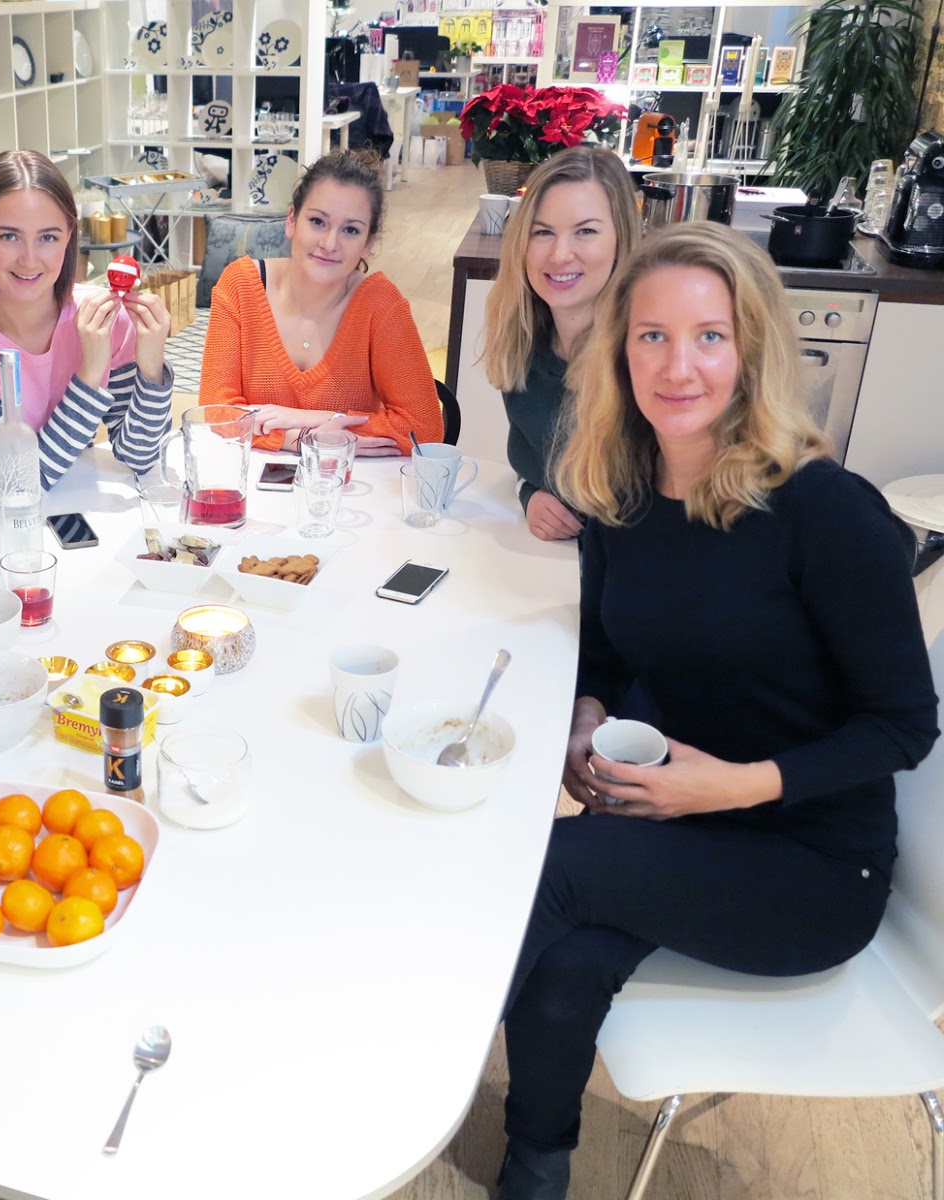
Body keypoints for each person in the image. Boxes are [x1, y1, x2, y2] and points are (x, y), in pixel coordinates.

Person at [493, 223, 938, 1200]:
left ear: (752, 351)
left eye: (709, 336)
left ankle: (391, 1058)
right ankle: (535, 1163)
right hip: (678, 820)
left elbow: (906, 724)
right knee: (564, 964)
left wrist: (731, 787)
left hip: (813, 863)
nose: (677, 365)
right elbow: (608, 646)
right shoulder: (622, 490)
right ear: (619, 351)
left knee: (549, 868)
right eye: (651, 336)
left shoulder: (827, 512)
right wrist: (588, 712)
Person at [0, 148, 175, 514]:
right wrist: (90, 374)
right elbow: (26, 480)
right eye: (9, 236)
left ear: (70, 234)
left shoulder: (104, 320)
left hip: (75, 513)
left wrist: (151, 367)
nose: (29, 260)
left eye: (48, 237)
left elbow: (140, 456)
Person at [198, 148, 443, 454]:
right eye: (317, 221)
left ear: (368, 243)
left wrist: (313, 419)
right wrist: (301, 438)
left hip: (347, 480)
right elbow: (217, 413)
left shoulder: (381, 304)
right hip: (249, 479)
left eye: (350, 230)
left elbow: (425, 430)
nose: (329, 243)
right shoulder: (240, 285)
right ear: (291, 220)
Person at [481, 146, 640, 541]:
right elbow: (534, 464)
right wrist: (530, 494)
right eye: (543, 232)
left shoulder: (644, 358)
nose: (559, 254)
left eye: (585, 231)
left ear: (621, 240)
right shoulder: (523, 343)